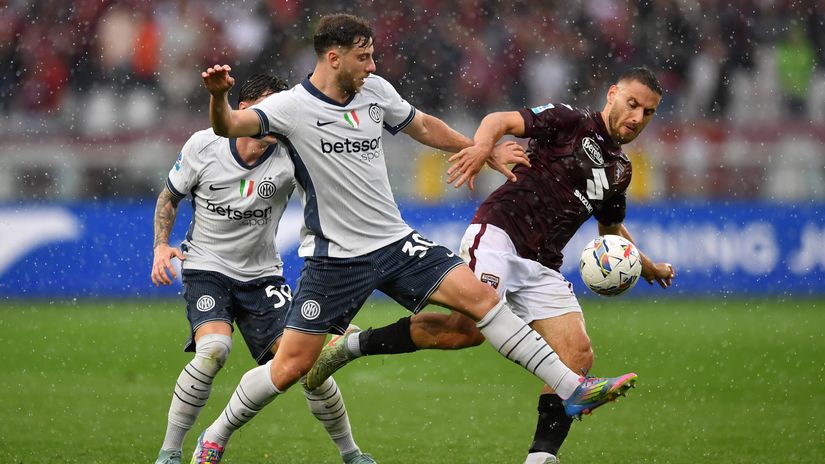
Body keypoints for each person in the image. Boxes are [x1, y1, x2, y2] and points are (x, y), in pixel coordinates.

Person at [191, 14, 638, 463]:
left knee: (482, 300)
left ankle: (571, 388)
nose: (371, 64)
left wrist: (477, 149)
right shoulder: (291, 107)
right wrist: (218, 97)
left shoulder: (375, 92)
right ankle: (215, 434)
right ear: (333, 57)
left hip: (395, 242)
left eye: (372, 55)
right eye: (363, 57)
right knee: (291, 367)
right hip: (336, 259)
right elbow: (228, 126)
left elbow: (422, 125)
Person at [306, 67, 675, 464]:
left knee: (578, 354)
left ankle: (540, 458)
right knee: (464, 331)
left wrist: (646, 265)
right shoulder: (571, 120)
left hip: (544, 264)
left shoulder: (620, 170)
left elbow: (610, 227)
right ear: (613, 94)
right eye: (632, 104)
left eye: (648, 112)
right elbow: (498, 121)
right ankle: (351, 346)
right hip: (499, 234)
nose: (637, 117)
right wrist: (482, 147)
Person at [150, 73, 375, 464]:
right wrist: (160, 247)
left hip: (263, 278)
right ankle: (169, 453)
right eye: (268, 107)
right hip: (207, 268)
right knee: (214, 351)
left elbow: (329, 200)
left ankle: (352, 454)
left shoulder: (292, 155)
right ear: (243, 109)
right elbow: (169, 197)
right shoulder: (204, 146)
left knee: (307, 365)